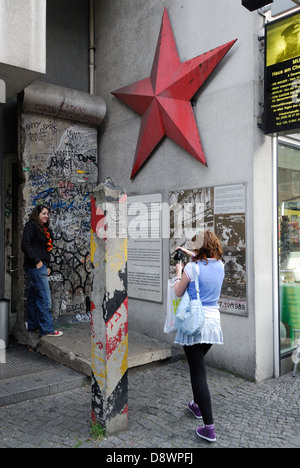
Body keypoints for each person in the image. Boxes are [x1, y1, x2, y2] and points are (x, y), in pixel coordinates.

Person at [174, 231, 225, 443]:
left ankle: (209, 428)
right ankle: (196, 405)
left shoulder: (191, 268)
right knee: (198, 364)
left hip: (195, 323)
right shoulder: (220, 265)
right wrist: (188, 253)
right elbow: (203, 262)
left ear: (199, 248)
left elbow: (178, 291)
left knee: (198, 373)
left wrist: (179, 271)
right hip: (213, 324)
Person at [21, 205, 63, 338]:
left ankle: (33, 325)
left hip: (42, 266)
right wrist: (38, 262)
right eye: (43, 213)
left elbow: (46, 251)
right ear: (37, 214)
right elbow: (25, 245)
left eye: (48, 214)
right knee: (45, 299)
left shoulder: (46, 230)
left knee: (34, 297)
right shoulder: (31, 226)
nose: (46, 216)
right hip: (35, 267)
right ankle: (47, 330)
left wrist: (48, 265)